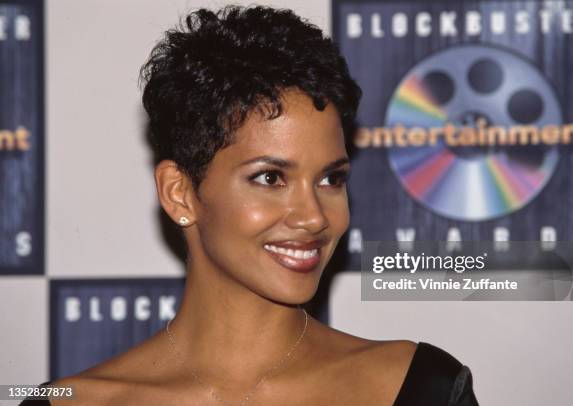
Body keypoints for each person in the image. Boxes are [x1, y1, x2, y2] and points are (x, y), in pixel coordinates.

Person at [22, 5, 478, 405]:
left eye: (331, 178)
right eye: (270, 177)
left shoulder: (421, 387)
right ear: (180, 193)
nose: (315, 216)